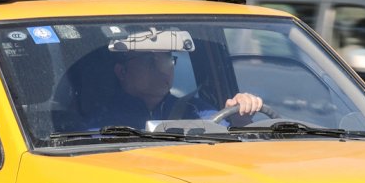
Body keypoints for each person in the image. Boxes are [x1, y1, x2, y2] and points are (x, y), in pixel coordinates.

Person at [92, 49, 263, 129]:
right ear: (122, 71)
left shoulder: (195, 110)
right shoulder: (100, 116)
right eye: (150, 61)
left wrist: (241, 121)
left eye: (167, 60)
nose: (162, 69)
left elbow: (226, 137)